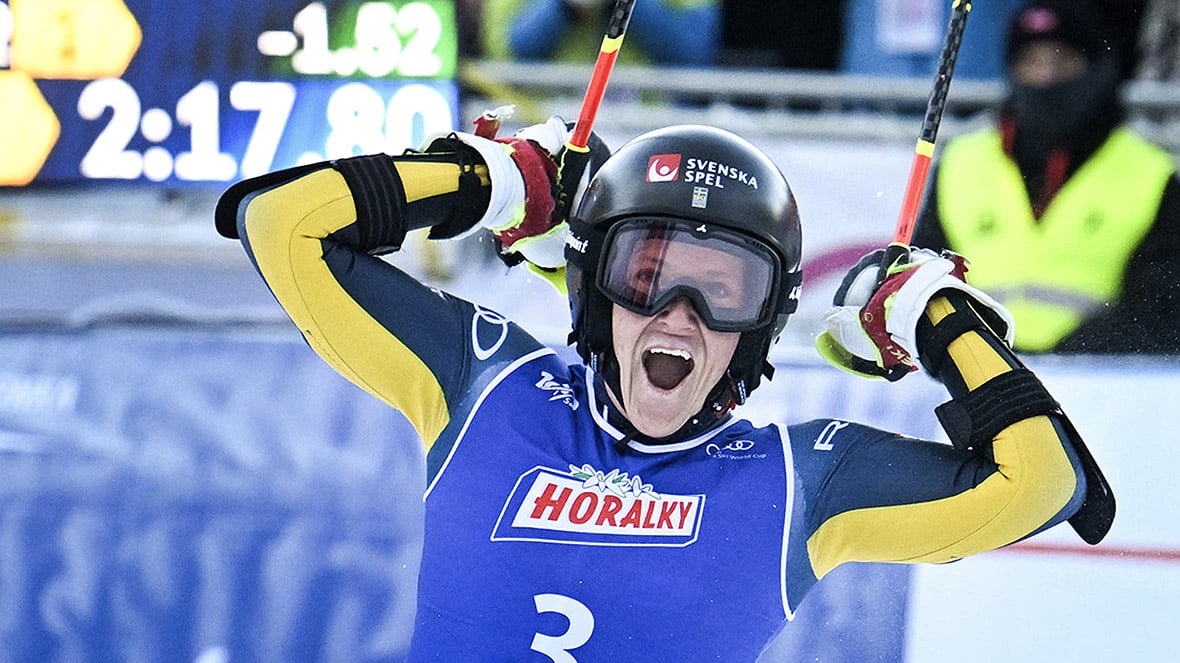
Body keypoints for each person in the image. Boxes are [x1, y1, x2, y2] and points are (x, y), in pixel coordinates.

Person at [214, 108, 1111, 660]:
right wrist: (486, 180)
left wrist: (935, 317)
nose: (679, 315)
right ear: (594, 287)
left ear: (758, 330)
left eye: (724, 291)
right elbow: (281, 224)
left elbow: (1047, 484)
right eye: (646, 273)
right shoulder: (485, 380)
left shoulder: (805, 483)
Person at [912, 0, 1180, 354]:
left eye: (1063, 61)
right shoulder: (960, 162)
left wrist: (1071, 354)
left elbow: (1162, 310)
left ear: (1097, 69)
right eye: (1031, 63)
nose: (1045, 78)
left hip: (1104, 385)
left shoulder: (1153, 174)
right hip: (977, 381)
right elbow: (924, 283)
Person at [481, 0, 719, 67]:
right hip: (545, 124)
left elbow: (692, 53)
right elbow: (507, 53)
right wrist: (563, 7)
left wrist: (628, 5)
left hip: (645, 121)